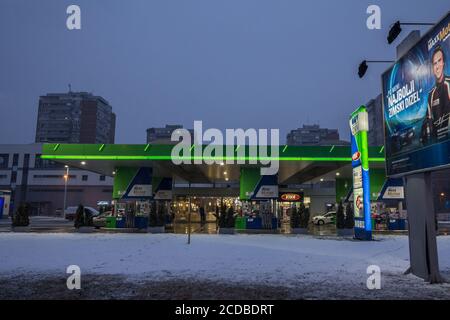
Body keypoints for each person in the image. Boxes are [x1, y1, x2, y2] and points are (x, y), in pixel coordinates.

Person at [422, 45, 450, 144]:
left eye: (439, 61)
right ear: (432, 68)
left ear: (443, 63)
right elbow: (429, 122)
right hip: (439, 145)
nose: (437, 66)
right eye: (434, 63)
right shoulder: (431, 95)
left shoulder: (448, 84)